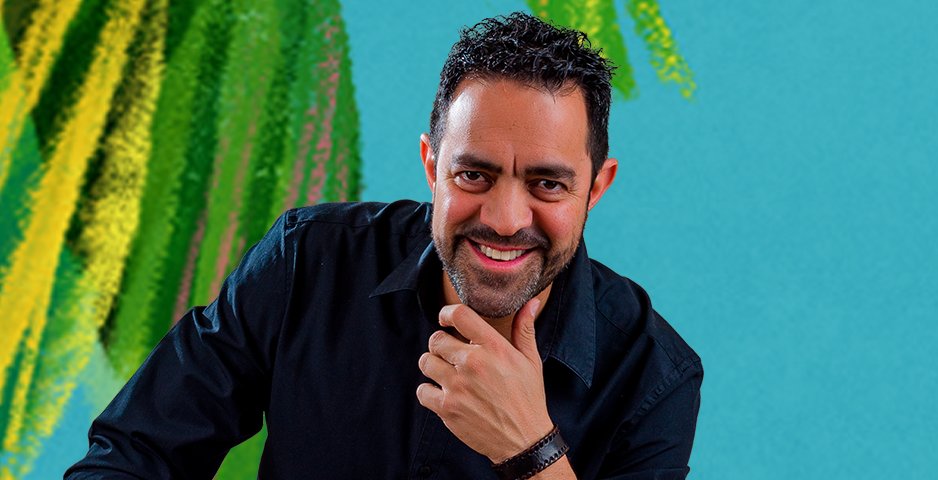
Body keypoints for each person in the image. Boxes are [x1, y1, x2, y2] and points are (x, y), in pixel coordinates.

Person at [66, 12, 702, 480]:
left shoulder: (655, 376)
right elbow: (133, 454)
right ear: (431, 165)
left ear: (595, 188)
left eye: (547, 184)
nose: (507, 219)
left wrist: (531, 448)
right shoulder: (308, 260)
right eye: (473, 175)